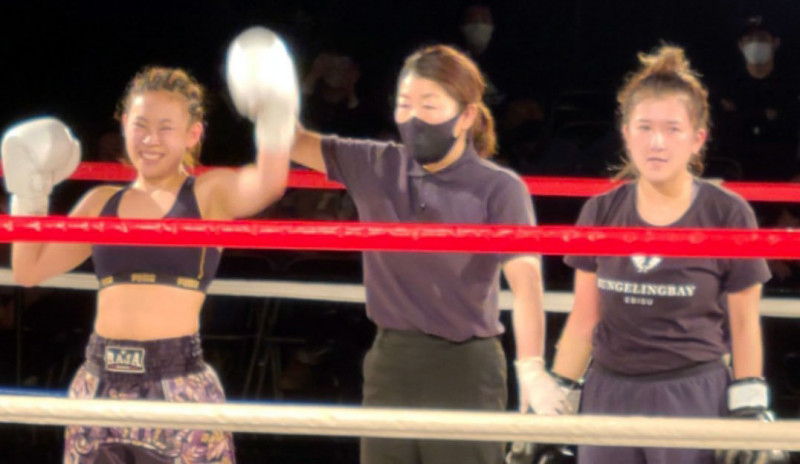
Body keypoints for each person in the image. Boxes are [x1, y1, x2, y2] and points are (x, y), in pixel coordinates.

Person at [2, 27, 298, 463]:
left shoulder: (207, 195)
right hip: (99, 381)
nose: (150, 139)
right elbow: (29, 270)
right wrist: (30, 193)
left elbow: (269, 184)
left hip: (175, 381)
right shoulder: (101, 202)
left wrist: (275, 113)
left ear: (192, 134)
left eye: (165, 128)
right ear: (124, 126)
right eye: (140, 126)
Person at [530, 45, 788, 464]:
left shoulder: (726, 213)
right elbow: (584, 318)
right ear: (626, 134)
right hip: (608, 394)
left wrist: (748, 405)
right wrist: (557, 400)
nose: (656, 142)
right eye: (645, 127)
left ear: (697, 139)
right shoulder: (601, 210)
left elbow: (744, 323)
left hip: (692, 395)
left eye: (672, 129)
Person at [290, 44, 546, 464]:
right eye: (404, 104)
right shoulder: (376, 164)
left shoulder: (500, 188)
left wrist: (531, 367)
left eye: (429, 105)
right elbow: (292, 143)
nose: (414, 118)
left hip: (466, 365)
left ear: (466, 116)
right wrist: (273, 94)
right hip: (391, 360)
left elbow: (527, 283)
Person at [716, 16, 799, 181]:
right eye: (749, 39)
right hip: (736, 180)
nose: (755, 44)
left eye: (762, 39)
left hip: (786, 180)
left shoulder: (792, 87)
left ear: (776, 43)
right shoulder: (727, 88)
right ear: (740, 45)